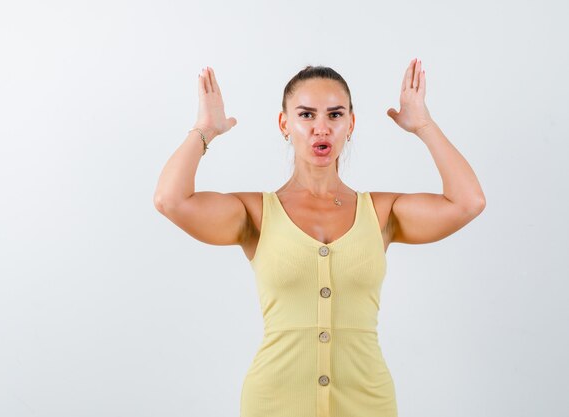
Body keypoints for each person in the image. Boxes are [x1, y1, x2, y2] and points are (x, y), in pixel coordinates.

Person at [154, 59, 486, 417]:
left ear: (350, 124)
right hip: (274, 402)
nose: (321, 128)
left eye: (335, 115)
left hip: (367, 402)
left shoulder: (382, 212)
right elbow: (170, 200)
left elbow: (468, 202)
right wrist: (205, 130)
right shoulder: (255, 213)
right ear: (285, 124)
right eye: (307, 115)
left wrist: (424, 125)